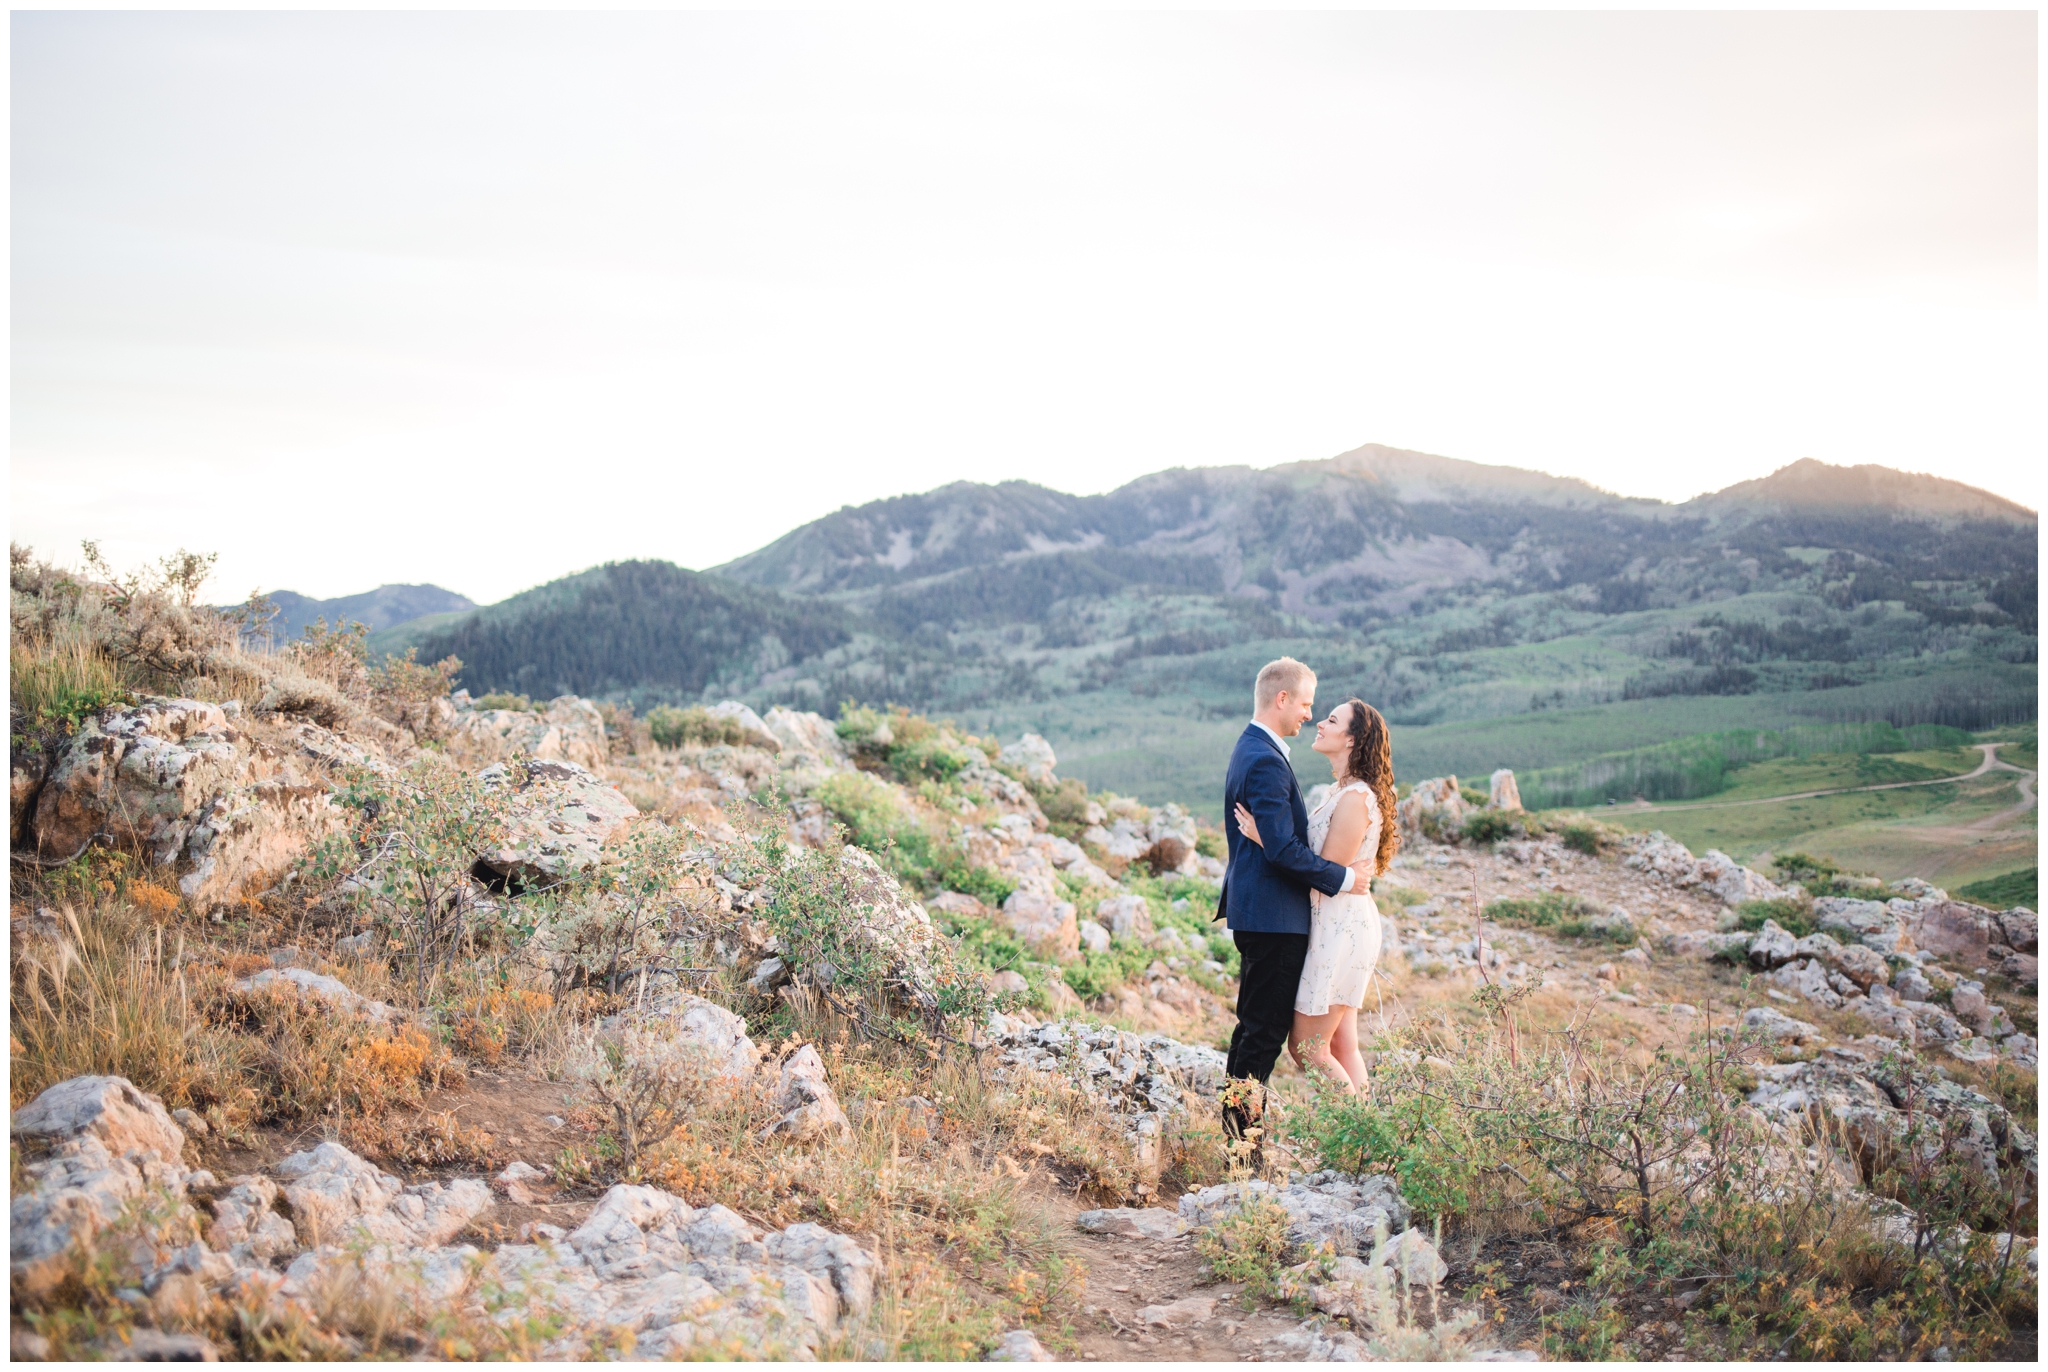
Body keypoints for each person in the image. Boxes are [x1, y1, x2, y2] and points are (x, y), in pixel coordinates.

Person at [1216, 658, 1376, 1152]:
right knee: (1262, 1037)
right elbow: (1285, 850)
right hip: (1274, 918)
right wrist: (1348, 878)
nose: (1310, 714)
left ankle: (1240, 1147)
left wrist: (1270, 839)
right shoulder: (1264, 758)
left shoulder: (1257, 749)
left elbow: (1281, 843)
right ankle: (1242, 1152)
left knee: (1260, 1034)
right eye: (1307, 704)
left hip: (1276, 915)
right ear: (1282, 699)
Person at [1234, 696, 1399, 1095]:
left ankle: (1364, 1140)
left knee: (1308, 1048)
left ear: (1352, 740)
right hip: (1335, 920)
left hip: (1341, 926)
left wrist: (1267, 839)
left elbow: (1325, 872)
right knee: (1341, 1044)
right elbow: (1329, 868)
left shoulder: (1356, 798)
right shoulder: (1339, 790)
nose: (1319, 724)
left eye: (1331, 720)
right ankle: (1368, 1149)